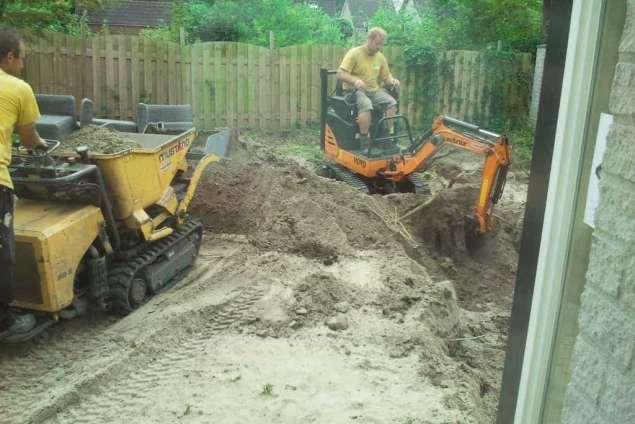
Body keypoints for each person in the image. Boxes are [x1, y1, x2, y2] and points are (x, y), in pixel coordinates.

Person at [0, 27, 47, 339]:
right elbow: (29, 139)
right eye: (22, 58)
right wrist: (42, 147)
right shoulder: (17, 88)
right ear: (9, 56)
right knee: (3, 251)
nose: (23, 64)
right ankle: (4, 321)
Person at [336, 27, 400, 147]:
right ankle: (364, 140)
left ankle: (384, 136)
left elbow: (386, 77)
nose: (380, 47)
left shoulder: (380, 57)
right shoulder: (354, 53)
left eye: (381, 45)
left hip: (373, 91)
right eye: (377, 44)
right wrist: (355, 81)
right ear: (369, 40)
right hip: (353, 91)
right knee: (366, 104)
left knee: (391, 103)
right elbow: (340, 73)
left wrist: (393, 81)